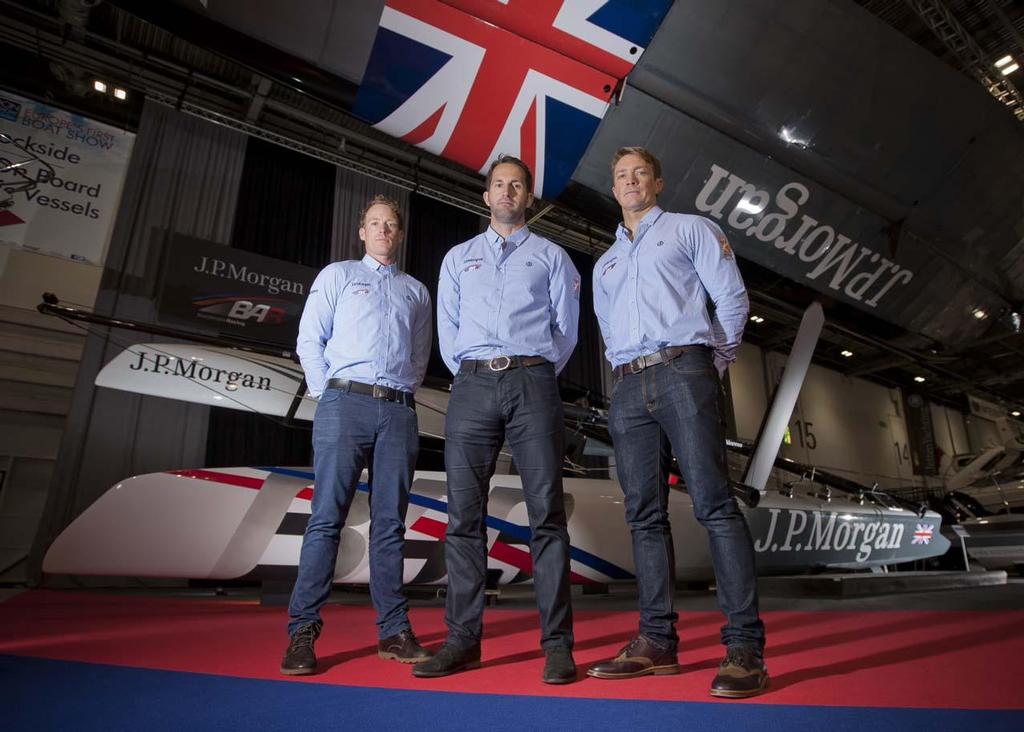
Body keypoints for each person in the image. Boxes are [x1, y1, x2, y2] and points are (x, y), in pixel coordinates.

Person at [586, 147, 768, 698]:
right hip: (628, 384)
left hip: (684, 368)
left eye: (640, 172)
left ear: (657, 182)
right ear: (614, 189)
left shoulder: (692, 229)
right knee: (643, 515)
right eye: (621, 176)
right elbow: (606, 326)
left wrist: (707, 365)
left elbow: (731, 300)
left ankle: (744, 648)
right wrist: (624, 375)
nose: (630, 181)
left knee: (714, 504)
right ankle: (657, 642)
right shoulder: (606, 262)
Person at [412, 155, 580, 685]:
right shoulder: (458, 258)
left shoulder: (554, 257)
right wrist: (478, 366)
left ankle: (557, 646)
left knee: (546, 515)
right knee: (463, 517)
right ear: (486, 196)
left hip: (533, 382)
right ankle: (463, 641)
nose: (507, 191)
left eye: (517, 185)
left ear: (529, 197)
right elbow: (448, 330)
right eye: (499, 185)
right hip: (473, 383)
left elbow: (565, 332)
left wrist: (532, 366)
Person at [280, 195, 433, 675]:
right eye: (374, 223)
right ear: (362, 232)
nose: (383, 230)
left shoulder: (417, 292)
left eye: (391, 224)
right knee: (326, 518)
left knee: (390, 525)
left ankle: (394, 631)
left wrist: (399, 396)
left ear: (400, 234)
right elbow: (310, 340)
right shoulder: (338, 275)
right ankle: (302, 632)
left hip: (398, 412)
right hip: (344, 403)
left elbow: (420, 355)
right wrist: (331, 395)